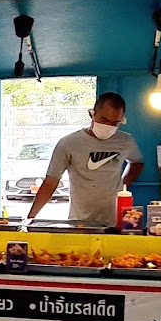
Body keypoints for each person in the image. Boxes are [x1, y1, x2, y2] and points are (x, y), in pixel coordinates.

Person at [27, 91, 144, 227]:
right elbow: (51, 182)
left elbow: (137, 162)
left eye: (115, 123)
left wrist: (124, 185)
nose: (108, 126)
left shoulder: (126, 141)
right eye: (104, 120)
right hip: (79, 221)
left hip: (115, 221)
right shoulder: (69, 143)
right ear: (92, 114)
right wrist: (29, 218)